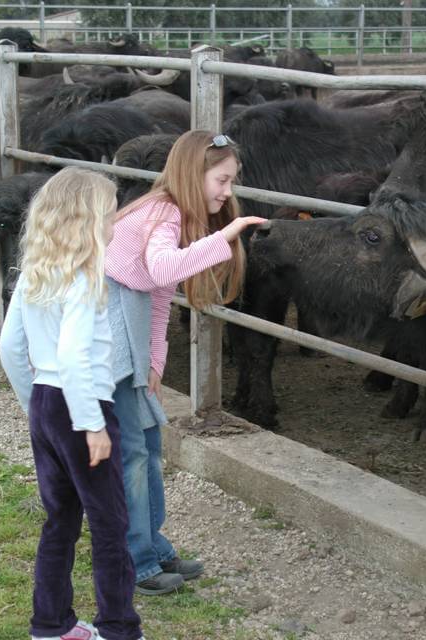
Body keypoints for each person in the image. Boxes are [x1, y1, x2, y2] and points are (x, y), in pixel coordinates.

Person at [105, 129, 266, 595]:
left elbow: (158, 298)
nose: (227, 191)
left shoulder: (167, 212)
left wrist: (155, 360)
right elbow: (163, 270)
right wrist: (229, 235)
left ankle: (151, 547)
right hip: (110, 334)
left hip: (128, 329)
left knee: (149, 443)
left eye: (232, 181)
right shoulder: (165, 211)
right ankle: (136, 562)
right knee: (134, 454)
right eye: (222, 179)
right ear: (193, 174)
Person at [0, 167, 144, 640]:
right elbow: (75, 354)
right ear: (86, 219)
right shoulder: (85, 278)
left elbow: (9, 347)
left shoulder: (34, 274)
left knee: (60, 518)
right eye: (108, 214)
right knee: (109, 522)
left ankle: (50, 623)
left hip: (45, 399)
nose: (113, 224)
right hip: (82, 407)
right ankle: (119, 627)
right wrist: (91, 424)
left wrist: (35, 405)